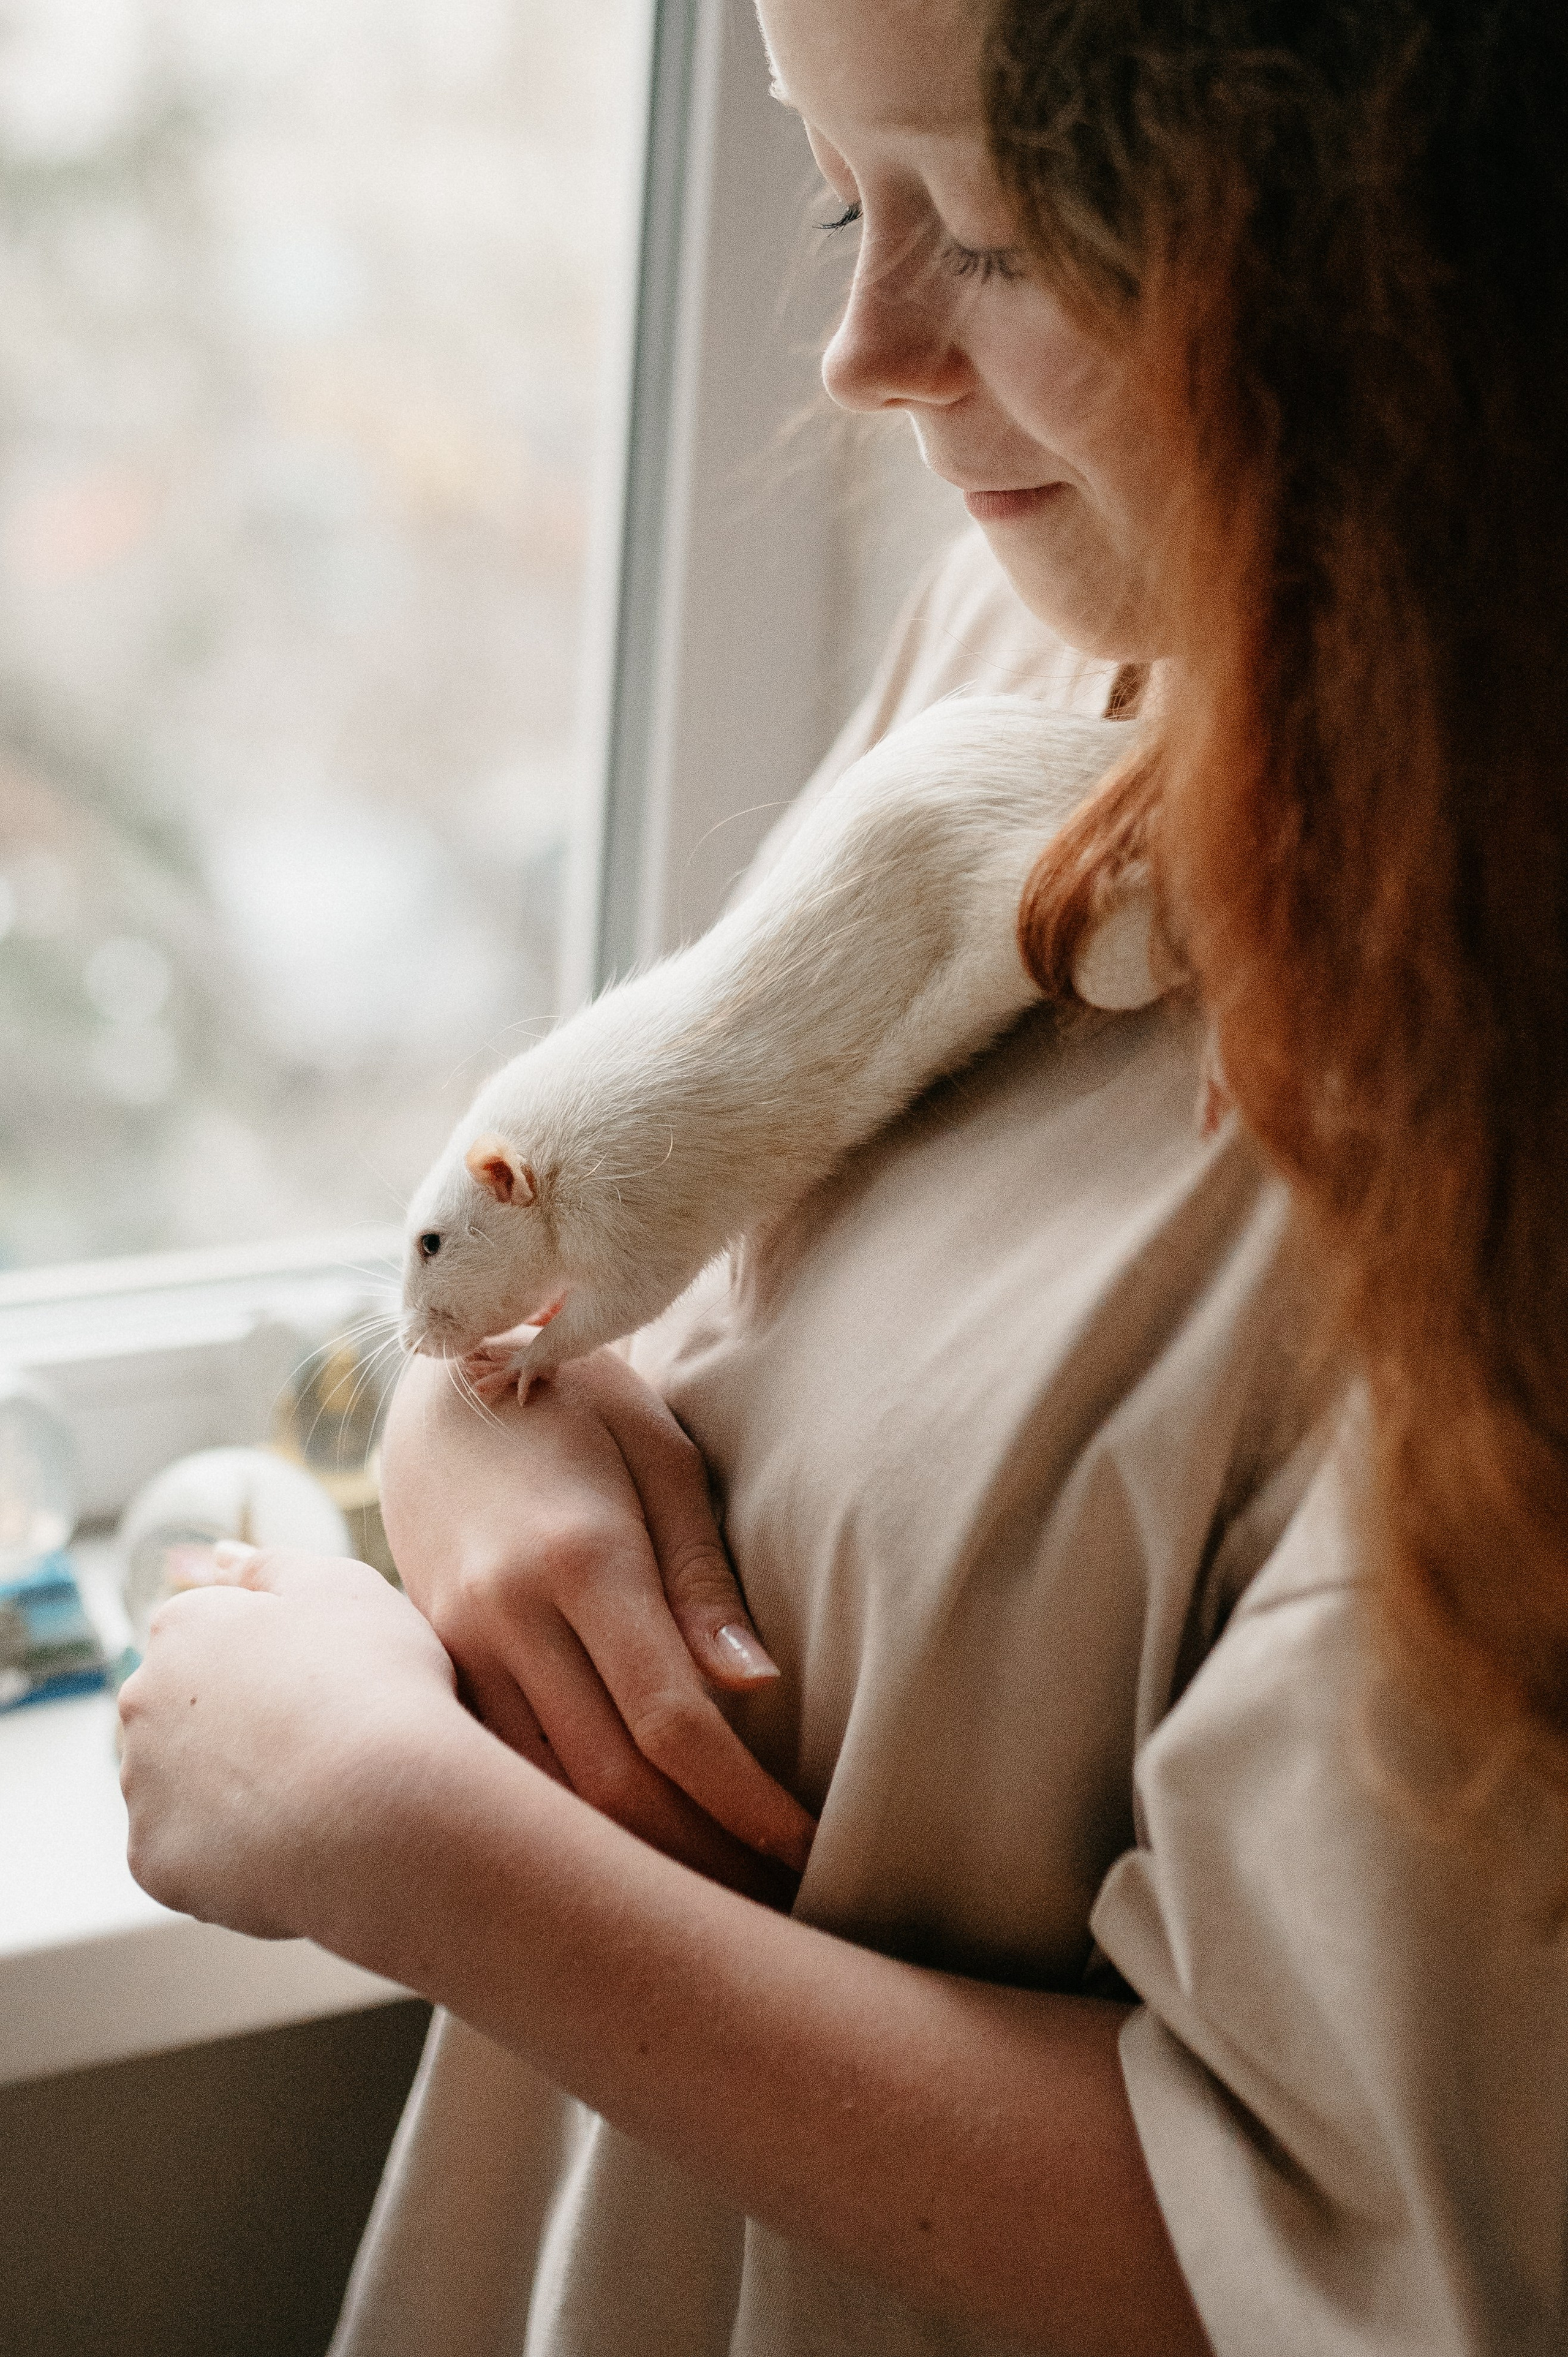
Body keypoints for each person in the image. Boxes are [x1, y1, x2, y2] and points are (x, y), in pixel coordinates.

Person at [117, 2, 1568, 2353]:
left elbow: (1324, 2260)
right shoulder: (1054, 625)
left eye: (990, 233)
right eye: (830, 194)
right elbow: (735, 1303)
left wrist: (408, 1848)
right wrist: (481, 1436)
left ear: (1393, 275)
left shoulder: (1487, 1172)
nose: (868, 351)